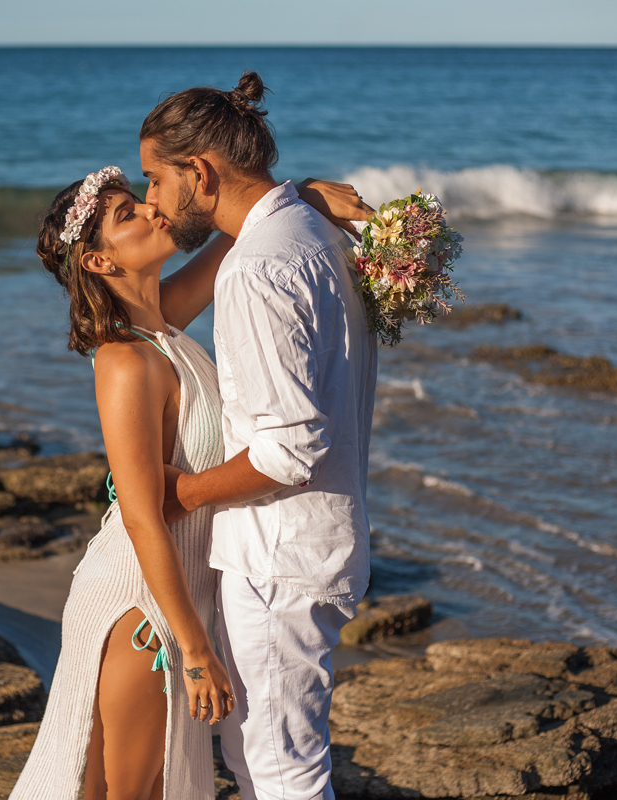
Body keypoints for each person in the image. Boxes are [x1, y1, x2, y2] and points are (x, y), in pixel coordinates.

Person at [8, 160, 370, 797]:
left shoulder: (163, 323)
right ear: (98, 262)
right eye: (127, 214)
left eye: (141, 198)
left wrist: (303, 194)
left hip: (182, 597)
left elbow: (242, 225)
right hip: (142, 606)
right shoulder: (124, 360)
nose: (153, 208)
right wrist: (196, 649)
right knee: (128, 792)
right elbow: (141, 515)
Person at [143, 71, 379, 800]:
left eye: (155, 179)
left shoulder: (256, 269)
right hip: (317, 539)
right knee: (271, 764)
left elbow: (289, 450)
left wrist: (183, 494)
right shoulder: (313, 232)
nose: (151, 200)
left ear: (200, 172)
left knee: (280, 774)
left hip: (279, 555)